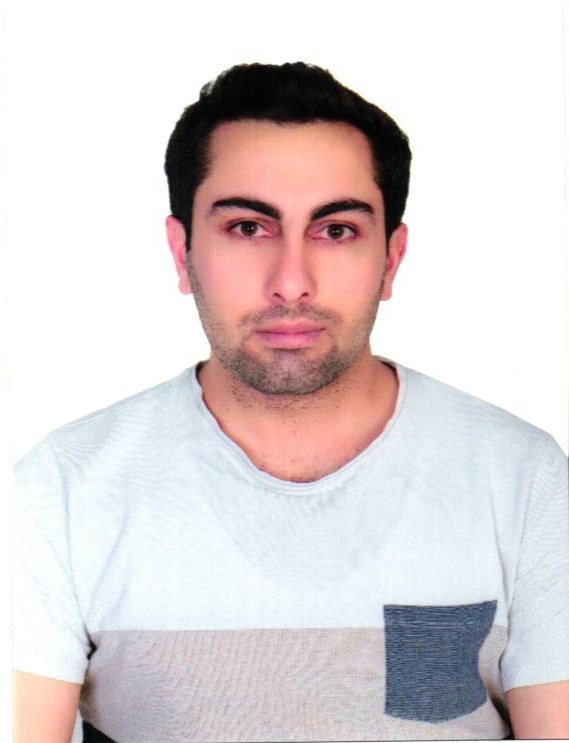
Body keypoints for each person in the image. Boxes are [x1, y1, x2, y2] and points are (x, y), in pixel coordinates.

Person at [12, 62, 569, 743]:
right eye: (248, 227)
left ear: (391, 259)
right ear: (182, 252)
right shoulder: (62, 488)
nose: (291, 282)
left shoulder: (522, 480)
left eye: (335, 230)